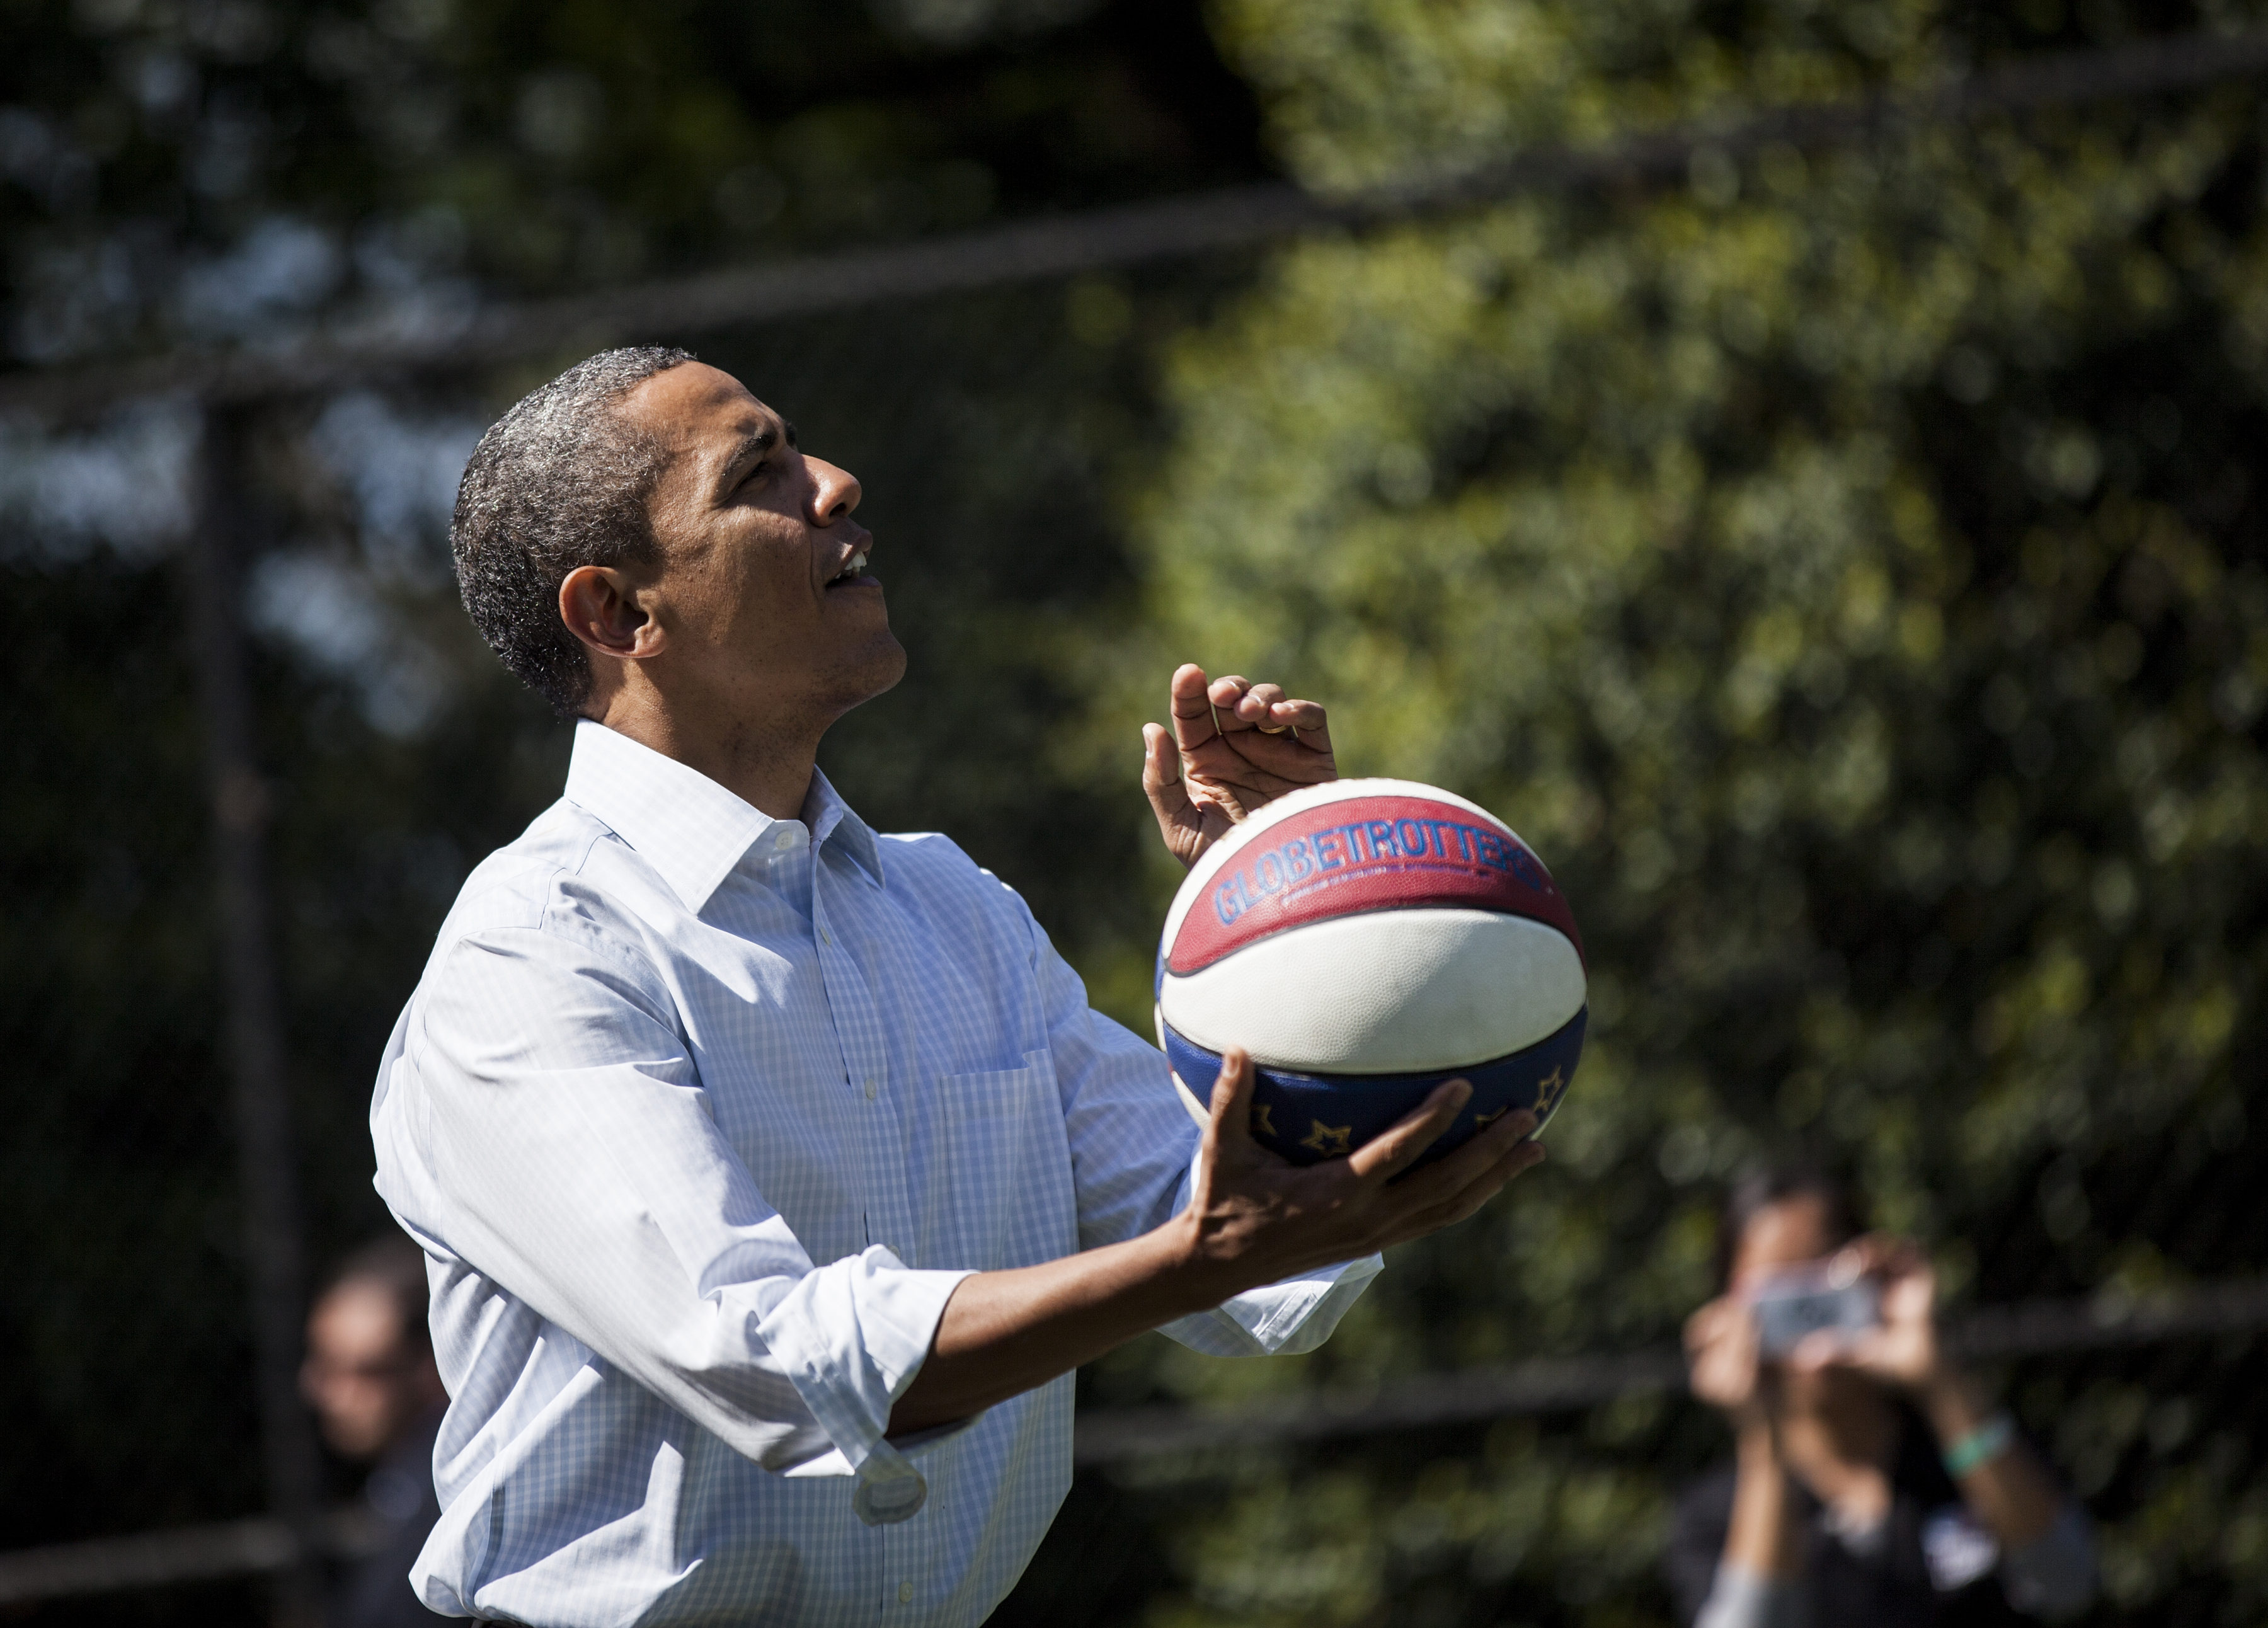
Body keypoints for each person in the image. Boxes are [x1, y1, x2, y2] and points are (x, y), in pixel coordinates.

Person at [369, 347, 1548, 1625]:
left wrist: (1298, 926)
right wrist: (1196, 1258)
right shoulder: (531, 958)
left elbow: (1259, 1244)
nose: (833, 482)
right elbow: (774, 1359)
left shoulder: (953, 910)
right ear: (618, 613)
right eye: (756, 470)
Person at [1667, 1164, 2098, 1627]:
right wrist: (1762, 1438)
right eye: (1780, 1304)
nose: (1812, 1340)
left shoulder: (1968, 1455)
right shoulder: (1715, 1515)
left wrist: (1939, 1381)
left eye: (1824, 1291)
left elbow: (2068, 1585)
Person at [301, 1237, 449, 1628]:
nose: (327, 1393)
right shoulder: (402, 1481)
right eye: (324, 1364)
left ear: (430, 1362)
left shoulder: (441, 1490)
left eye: (366, 1372)